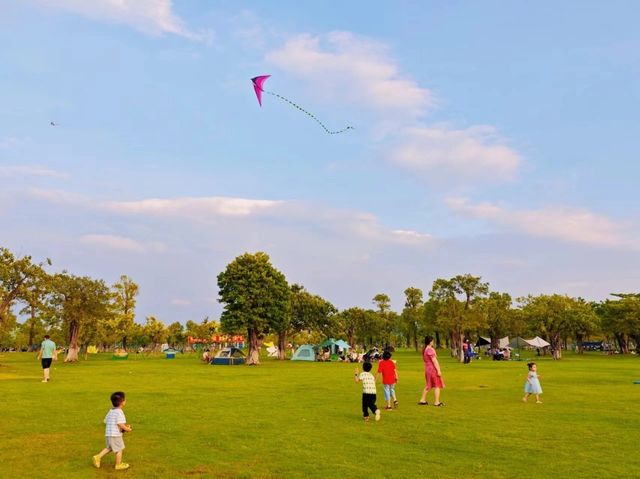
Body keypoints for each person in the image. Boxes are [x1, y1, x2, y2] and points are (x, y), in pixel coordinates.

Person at [93, 391, 133, 470]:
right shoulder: (119, 412)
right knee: (119, 449)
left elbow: (106, 421)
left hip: (108, 434)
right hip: (115, 435)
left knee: (109, 448)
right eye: (125, 400)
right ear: (122, 402)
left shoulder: (111, 411)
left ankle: (97, 457)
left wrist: (120, 427)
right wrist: (127, 429)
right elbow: (120, 424)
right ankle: (118, 465)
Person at [419, 335, 445, 406]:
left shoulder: (425, 349)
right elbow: (434, 361)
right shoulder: (430, 349)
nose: (433, 342)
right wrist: (438, 370)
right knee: (437, 385)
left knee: (428, 385)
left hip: (427, 369)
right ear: (430, 342)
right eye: (432, 341)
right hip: (432, 369)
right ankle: (437, 402)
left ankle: (422, 399)